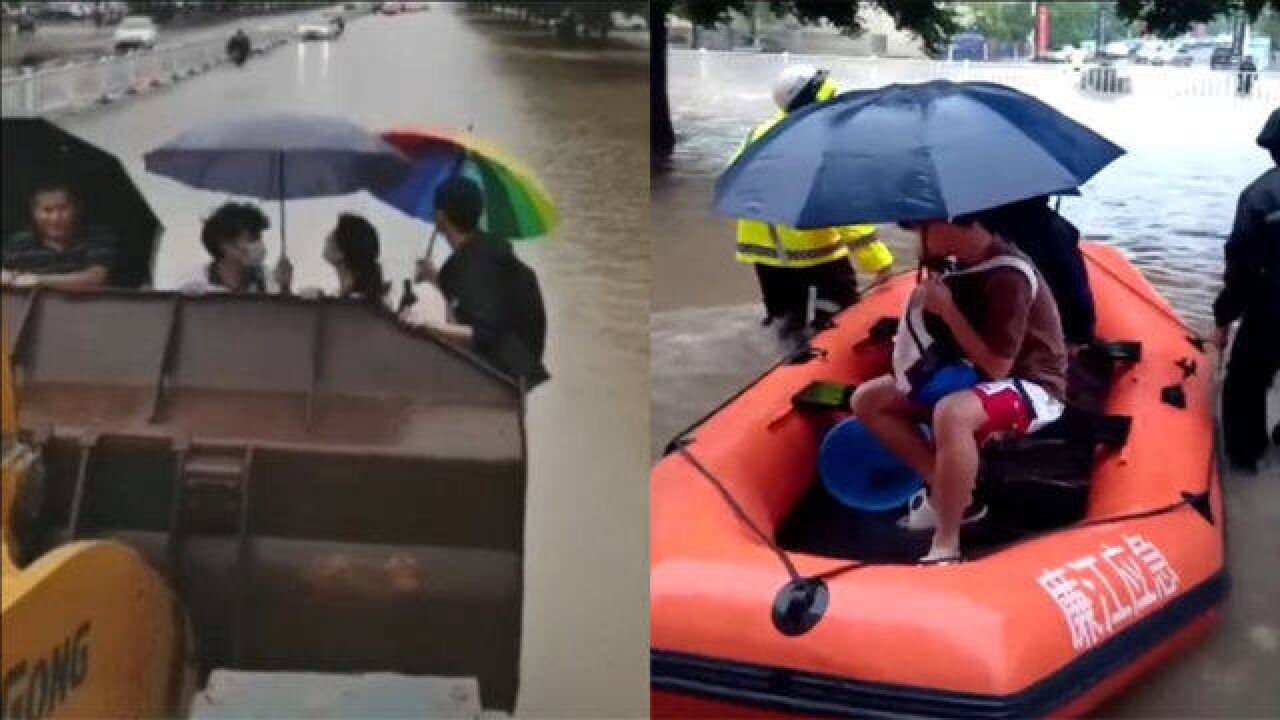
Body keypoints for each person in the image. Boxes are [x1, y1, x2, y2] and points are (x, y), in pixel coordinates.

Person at [850, 210, 1067, 562]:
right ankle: (952, 493)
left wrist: (948, 310)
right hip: (972, 372)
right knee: (869, 399)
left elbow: (997, 366)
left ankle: (947, 541)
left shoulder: (1007, 276)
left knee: (952, 413)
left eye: (922, 229)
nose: (918, 238)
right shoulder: (959, 265)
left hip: (1033, 386)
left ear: (948, 225)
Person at [733, 65, 894, 335]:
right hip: (819, 256)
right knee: (838, 325)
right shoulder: (824, 141)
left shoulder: (758, 133)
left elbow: (733, 181)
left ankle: (782, 373)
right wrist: (878, 261)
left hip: (765, 257)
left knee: (783, 328)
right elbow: (843, 207)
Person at [408, 176, 549, 390]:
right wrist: (436, 279)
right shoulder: (486, 251)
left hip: (499, 376)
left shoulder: (470, 266)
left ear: (441, 216)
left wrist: (428, 325)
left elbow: (486, 332)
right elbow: (479, 298)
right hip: (521, 367)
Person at [1213, 107, 1280, 472]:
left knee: (1244, 386)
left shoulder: (1259, 196)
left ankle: (1245, 459)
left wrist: (1223, 317)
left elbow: (1241, 266)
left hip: (1271, 310)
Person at [980, 195, 1096, 347]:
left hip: (1041, 330)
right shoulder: (1056, 229)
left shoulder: (992, 228)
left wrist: (1077, 338)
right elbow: (1076, 291)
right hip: (1038, 322)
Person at [1, 180, 116, 290]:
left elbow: (97, 278)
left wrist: (39, 280)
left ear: (77, 208)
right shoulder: (18, 243)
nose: (56, 218)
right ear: (34, 213)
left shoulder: (96, 236)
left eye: (63, 209)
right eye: (47, 210)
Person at [173, 202, 283, 295]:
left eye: (259, 239)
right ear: (226, 244)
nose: (259, 245)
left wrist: (285, 289)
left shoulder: (267, 280)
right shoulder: (194, 284)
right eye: (252, 239)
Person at [294, 213, 391, 305]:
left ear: (341, 253)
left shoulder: (356, 303)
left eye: (334, 233)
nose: (327, 237)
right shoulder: (359, 299)